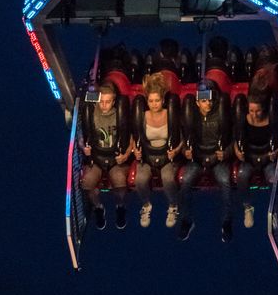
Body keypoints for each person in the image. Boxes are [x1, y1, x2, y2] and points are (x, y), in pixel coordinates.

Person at [178, 81, 233, 242]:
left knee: (225, 181)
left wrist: (226, 152)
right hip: (197, 158)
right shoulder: (190, 115)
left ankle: (227, 222)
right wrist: (184, 151)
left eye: (209, 99)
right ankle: (187, 220)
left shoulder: (222, 114)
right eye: (203, 100)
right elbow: (181, 138)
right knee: (186, 180)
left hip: (217, 158)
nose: (207, 103)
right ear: (197, 102)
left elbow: (233, 138)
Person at [80, 82, 132, 230]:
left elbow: (132, 137)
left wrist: (126, 154)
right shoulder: (91, 113)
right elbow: (81, 136)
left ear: (113, 102)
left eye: (107, 102)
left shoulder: (120, 115)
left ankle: (120, 206)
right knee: (87, 183)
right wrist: (84, 147)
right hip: (97, 157)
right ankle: (98, 207)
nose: (104, 105)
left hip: (115, 158)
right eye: (101, 101)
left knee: (120, 182)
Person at [132, 73, 182, 228]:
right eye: (151, 101)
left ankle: (173, 206)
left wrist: (176, 151)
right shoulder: (143, 116)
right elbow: (135, 137)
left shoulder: (170, 115)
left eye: (157, 100)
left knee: (167, 178)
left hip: (167, 156)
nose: (154, 104)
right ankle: (146, 205)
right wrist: (135, 150)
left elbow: (181, 139)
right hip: (148, 156)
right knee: (140, 180)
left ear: (163, 100)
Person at [233, 85, 278, 228]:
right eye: (251, 110)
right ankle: (247, 207)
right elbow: (236, 139)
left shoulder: (271, 121)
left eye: (257, 111)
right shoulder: (244, 120)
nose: (254, 114)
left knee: (273, 178)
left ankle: (275, 211)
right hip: (250, 157)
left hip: (267, 157)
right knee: (241, 175)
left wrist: (276, 152)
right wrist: (237, 150)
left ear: (264, 109)